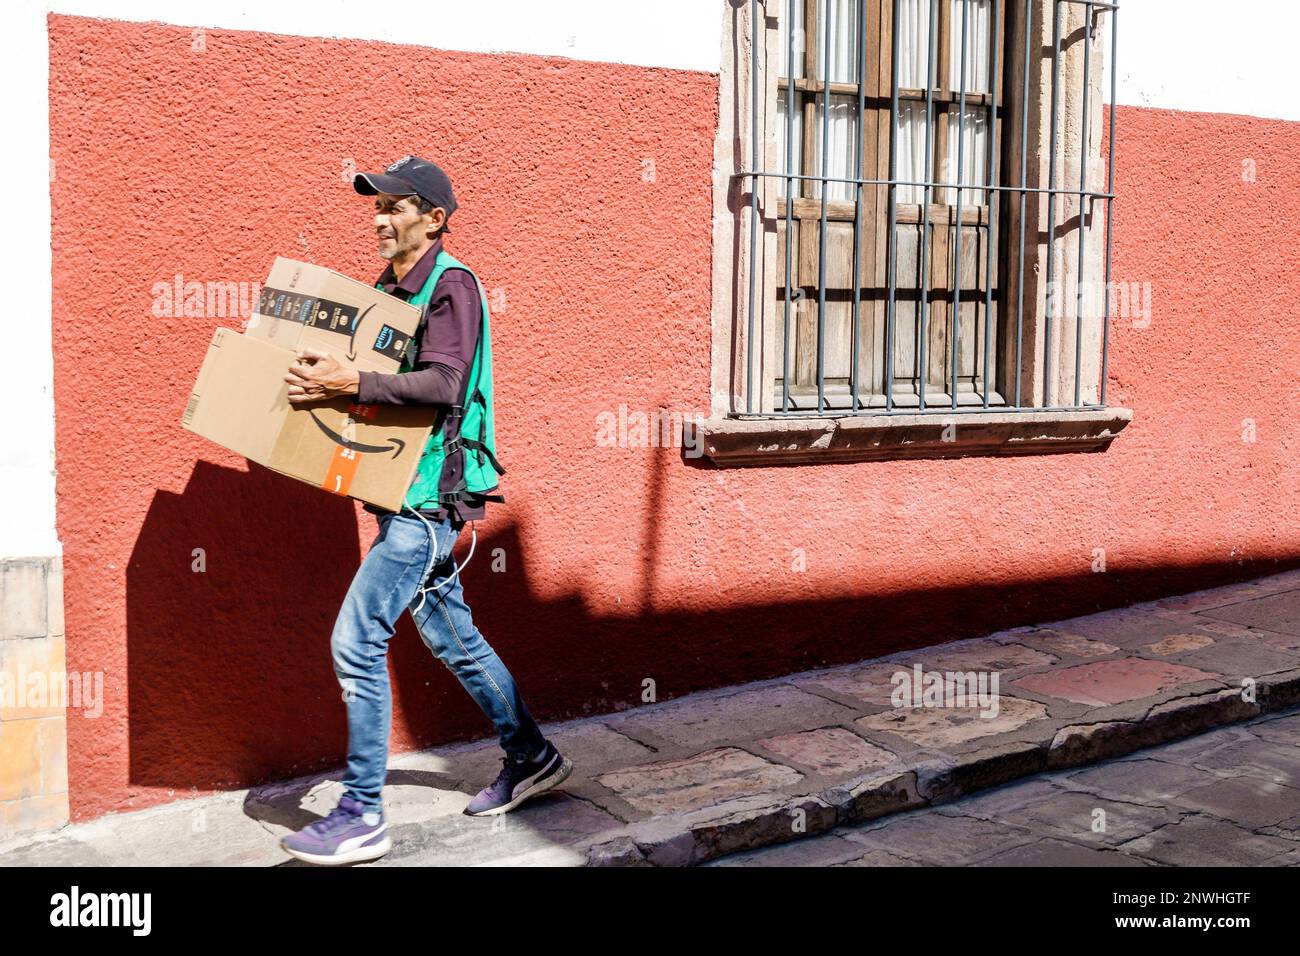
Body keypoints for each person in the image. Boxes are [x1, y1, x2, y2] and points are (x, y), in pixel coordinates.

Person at [276, 155, 570, 865]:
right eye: (376, 208)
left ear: (434, 218)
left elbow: (443, 381)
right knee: (452, 637)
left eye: (394, 207)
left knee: (357, 639)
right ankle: (530, 755)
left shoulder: (452, 286)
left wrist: (355, 380)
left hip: (424, 502)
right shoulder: (388, 293)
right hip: (396, 491)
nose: (380, 219)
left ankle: (362, 812)